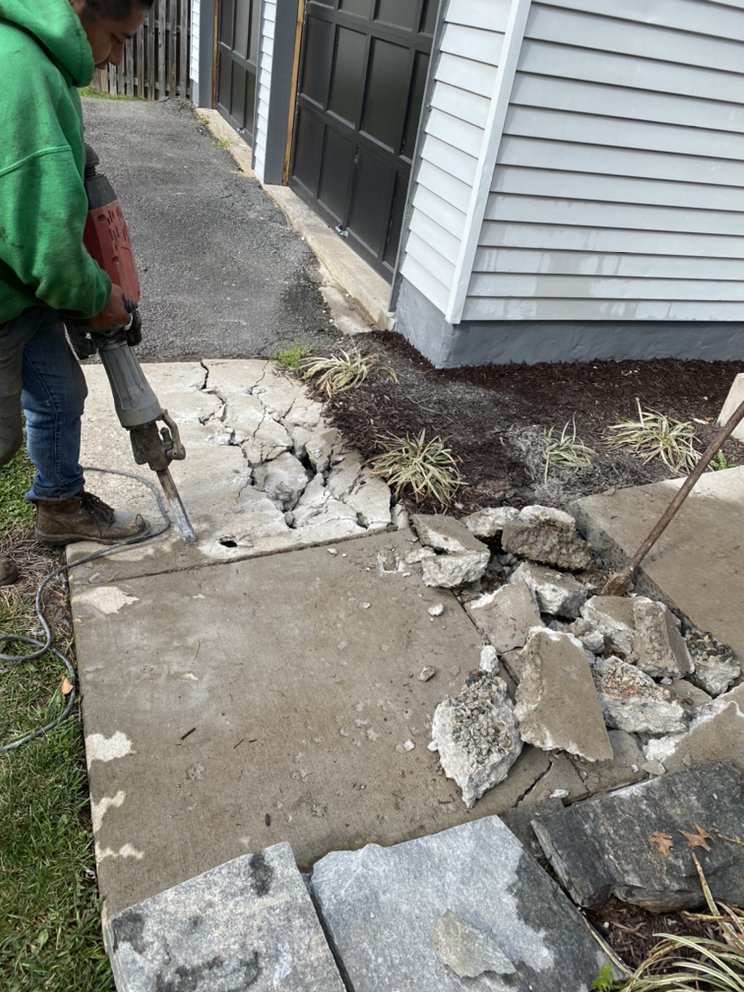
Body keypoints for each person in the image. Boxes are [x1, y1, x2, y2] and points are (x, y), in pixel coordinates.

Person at [0, 0, 154, 586]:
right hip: (12, 286)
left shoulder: (35, 56)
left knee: (60, 394)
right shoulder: (24, 72)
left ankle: (60, 509)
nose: (114, 58)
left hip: (19, 290)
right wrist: (100, 301)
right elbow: (49, 250)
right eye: (115, 37)